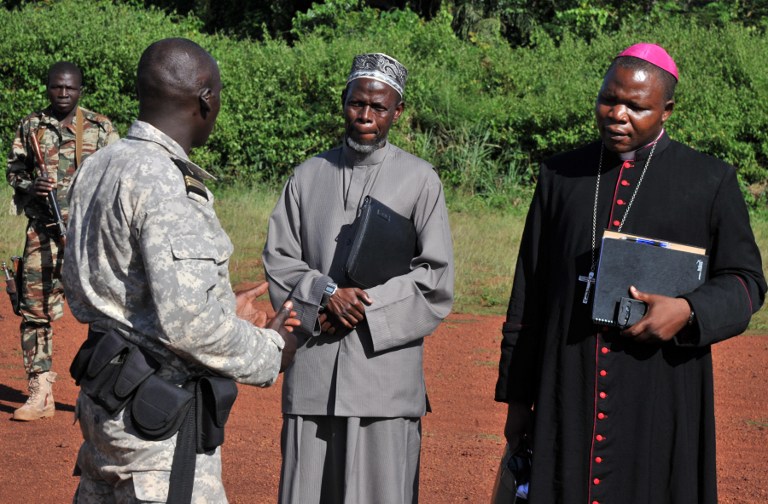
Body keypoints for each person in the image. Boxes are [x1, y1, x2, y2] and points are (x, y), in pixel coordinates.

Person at [495, 43, 766, 504]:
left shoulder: (709, 180)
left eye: (636, 106)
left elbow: (746, 281)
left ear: (666, 110)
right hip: (568, 382)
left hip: (659, 388)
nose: (617, 114)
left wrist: (688, 310)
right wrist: (518, 400)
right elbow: (529, 294)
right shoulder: (560, 176)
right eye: (609, 99)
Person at [62, 38, 298, 502]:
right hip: (158, 434)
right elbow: (191, 326)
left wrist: (220, 305)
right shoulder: (167, 183)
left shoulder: (99, 165)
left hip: (105, 407)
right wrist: (274, 349)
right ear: (206, 98)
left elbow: (84, 289)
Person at [263, 53, 454, 503]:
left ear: (397, 112)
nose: (366, 116)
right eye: (357, 103)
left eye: (379, 107)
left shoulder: (421, 180)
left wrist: (362, 306)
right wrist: (325, 293)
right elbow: (279, 259)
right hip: (313, 376)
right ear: (344, 102)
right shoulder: (307, 176)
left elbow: (435, 278)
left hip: (383, 382)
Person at [6, 61, 119, 421]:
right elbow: (15, 170)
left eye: (70, 88)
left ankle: (99, 393)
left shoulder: (100, 128)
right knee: (34, 310)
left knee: (103, 313)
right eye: (57, 87)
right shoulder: (31, 127)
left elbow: (118, 175)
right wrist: (30, 185)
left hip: (88, 237)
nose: (63, 94)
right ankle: (40, 391)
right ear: (48, 87)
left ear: (80, 89)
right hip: (42, 233)